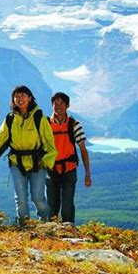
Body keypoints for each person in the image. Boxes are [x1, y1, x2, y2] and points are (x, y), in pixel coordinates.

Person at [0, 85, 57, 225]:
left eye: (23, 95)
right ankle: (25, 225)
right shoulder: (10, 118)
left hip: (38, 162)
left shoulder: (39, 117)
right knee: (21, 198)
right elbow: (0, 140)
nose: (20, 99)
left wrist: (48, 160)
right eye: (17, 96)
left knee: (38, 198)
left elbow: (48, 140)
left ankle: (45, 221)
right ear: (13, 99)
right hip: (17, 162)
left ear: (30, 98)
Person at [46, 92, 92, 224]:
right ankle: (51, 235)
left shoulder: (74, 125)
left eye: (61, 103)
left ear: (68, 106)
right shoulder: (46, 124)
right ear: (52, 106)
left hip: (69, 170)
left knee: (67, 205)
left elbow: (83, 150)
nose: (58, 106)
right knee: (51, 206)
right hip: (51, 170)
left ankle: (68, 231)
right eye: (55, 103)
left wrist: (87, 174)